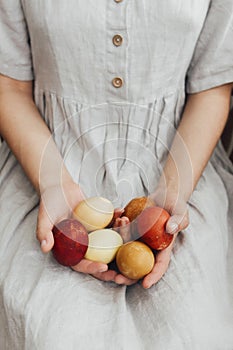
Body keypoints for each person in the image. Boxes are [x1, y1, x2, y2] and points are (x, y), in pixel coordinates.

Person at [0, 1, 233, 349]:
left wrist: (171, 195)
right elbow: (9, 87)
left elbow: (212, 87)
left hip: (181, 164)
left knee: (195, 333)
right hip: (44, 159)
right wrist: (53, 183)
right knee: (52, 332)